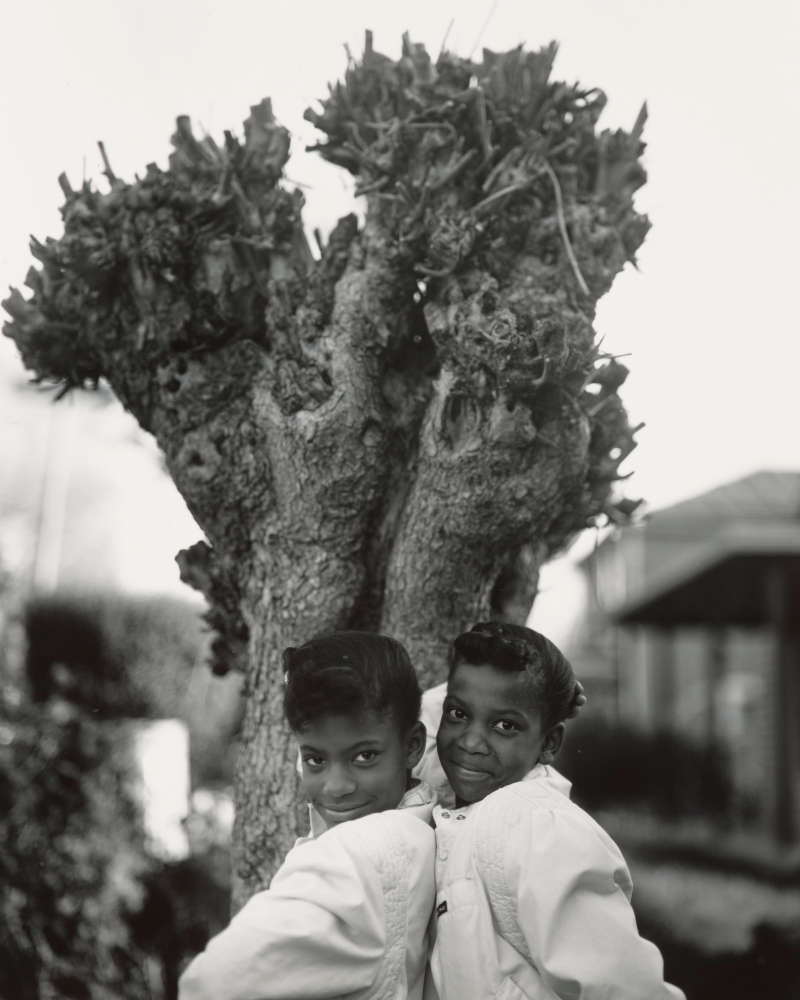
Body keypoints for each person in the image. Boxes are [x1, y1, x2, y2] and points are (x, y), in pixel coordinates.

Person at [417, 621, 685, 1000]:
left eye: (505, 725)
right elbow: (404, 734)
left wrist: (542, 694)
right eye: (458, 714)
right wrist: (542, 694)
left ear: (550, 742)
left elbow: (620, 988)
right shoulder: (456, 799)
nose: (471, 742)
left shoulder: (540, 827)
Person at [178, 631, 436, 1000]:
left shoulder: (355, 855)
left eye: (364, 756)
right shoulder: (421, 828)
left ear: (413, 746)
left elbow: (213, 983)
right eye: (315, 759)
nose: (336, 786)